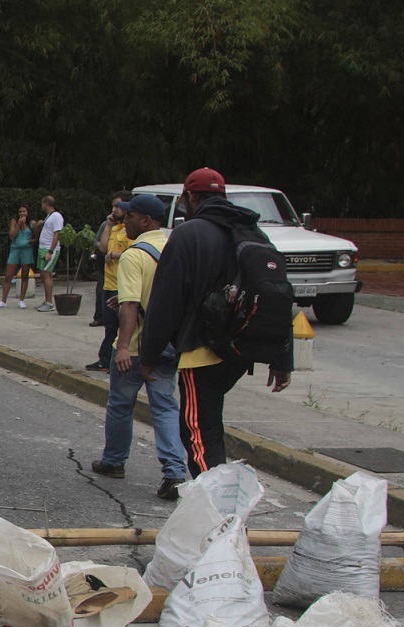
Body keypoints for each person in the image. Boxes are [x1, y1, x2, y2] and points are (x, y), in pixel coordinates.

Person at [139, 167, 293, 476]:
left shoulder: (188, 234)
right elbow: (277, 295)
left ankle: (216, 511)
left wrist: (149, 354)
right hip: (239, 350)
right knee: (208, 425)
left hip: (202, 349)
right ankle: (217, 504)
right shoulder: (252, 232)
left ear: (190, 197)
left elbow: (166, 300)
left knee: (197, 432)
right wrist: (281, 359)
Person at [92, 195, 187, 500]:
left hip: (135, 349)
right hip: (168, 347)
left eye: (130, 216)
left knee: (121, 405)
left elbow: (131, 304)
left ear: (145, 220)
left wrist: (120, 348)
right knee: (165, 408)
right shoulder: (175, 250)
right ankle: (174, 472)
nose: (124, 220)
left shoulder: (134, 256)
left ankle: (114, 461)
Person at [86, 194, 132, 370]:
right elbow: (103, 248)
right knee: (109, 326)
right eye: (113, 206)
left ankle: (110, 360)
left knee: (118, 327)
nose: (114, 210)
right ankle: (106, 360)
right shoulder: (112, 227)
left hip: (121, 285)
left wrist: (113, 255)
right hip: (108, 283)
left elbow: (133, 253)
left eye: (118, 206)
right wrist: (108, 226)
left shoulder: (130, 230)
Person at [0, 199, 34, 309]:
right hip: (15, 249)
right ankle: (3, 301)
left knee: (25, 275)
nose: (22, 213)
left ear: (27, 212)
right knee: (8, 275)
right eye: (20, 212)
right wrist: (19, 225)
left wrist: (29, 241)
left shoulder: (31, 223)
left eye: (24, 211)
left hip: (26, 250)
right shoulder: (14, 221)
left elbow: (36, 237)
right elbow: (11, 236)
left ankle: (22, 299)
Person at [33, 195, 65, 311]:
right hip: (43, 247)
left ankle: (49, 302)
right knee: (44, 274)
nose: (41, 206)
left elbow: (57, 234)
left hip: (49, 249)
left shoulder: (56, 216)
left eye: (42, 203)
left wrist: (50, 251)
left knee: (46, 275)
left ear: (46, 203)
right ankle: (47, 300)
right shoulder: (49, 216)